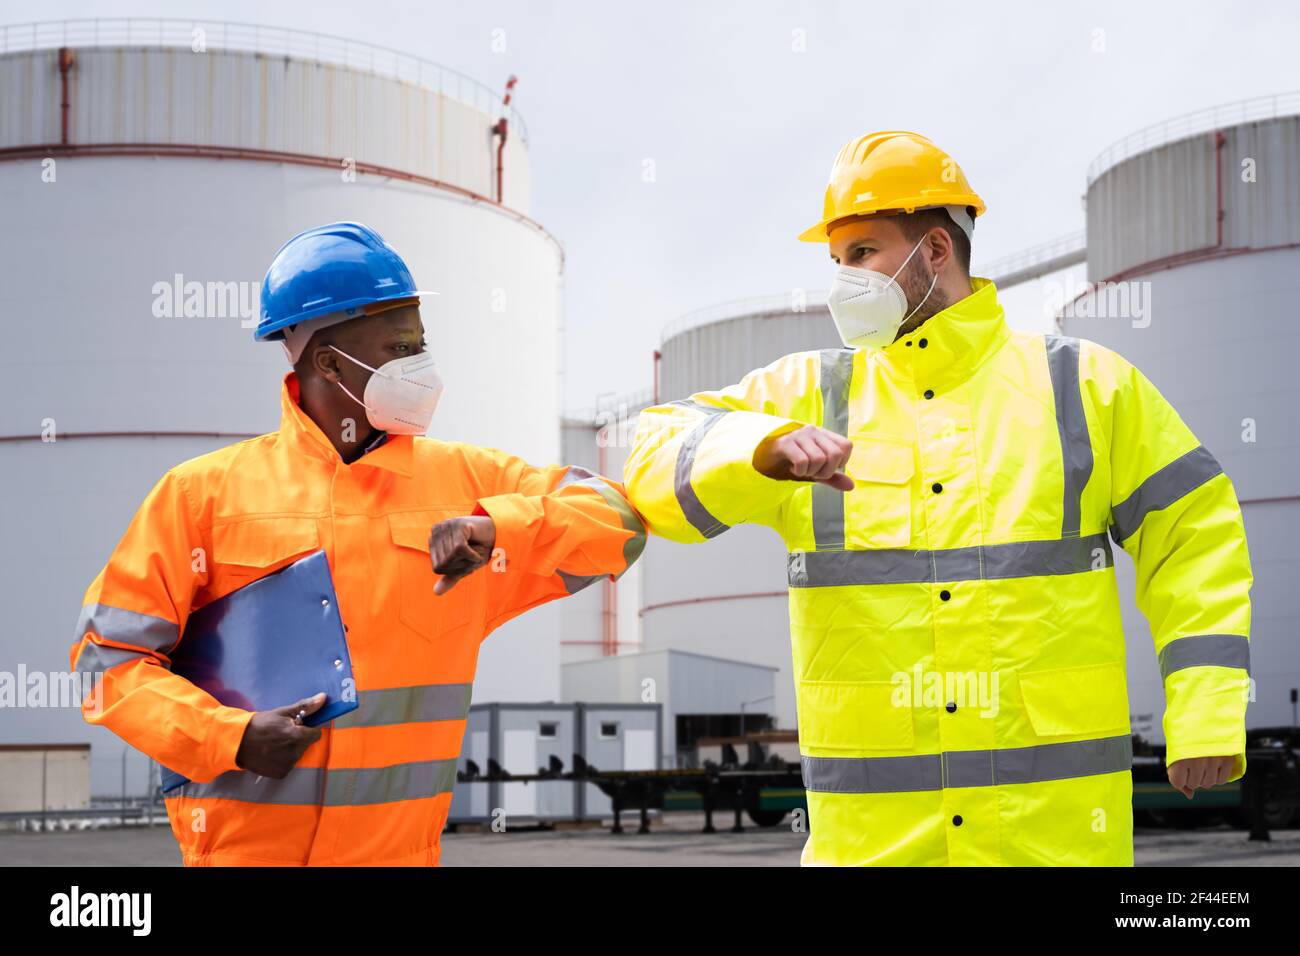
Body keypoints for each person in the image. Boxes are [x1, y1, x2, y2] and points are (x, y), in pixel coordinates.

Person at [623, 131, 1253, 866]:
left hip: (1050, 839)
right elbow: (651, 455)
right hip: (877, 849)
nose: (842, 281)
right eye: (835, 261)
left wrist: (1206, 710)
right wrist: (755, 450)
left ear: (933, 252)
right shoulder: (808, 397)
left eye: (861, 253)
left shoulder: (1082, 385)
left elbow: (1195, 535)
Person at [69, 221, 646, 866]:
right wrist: (228, 736)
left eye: (422, 345)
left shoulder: (468, 485)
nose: (422, 367)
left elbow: (619, 523)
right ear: (330, 363)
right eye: (402, 348)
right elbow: (106, 666)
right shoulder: (200, 497)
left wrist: (500, 527)